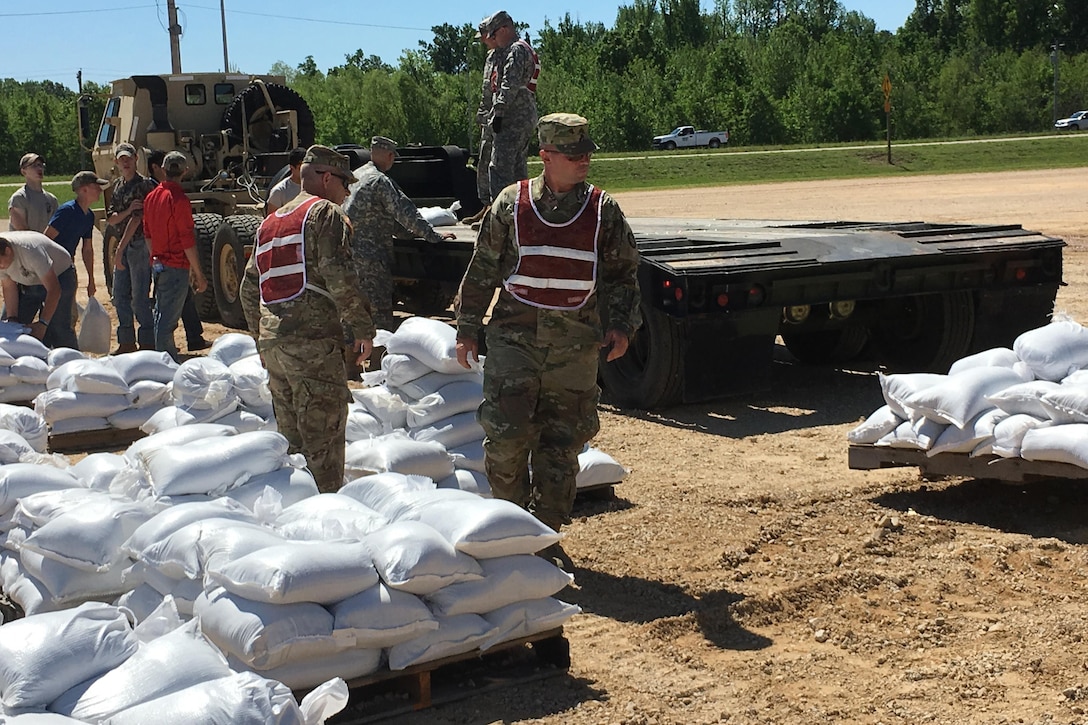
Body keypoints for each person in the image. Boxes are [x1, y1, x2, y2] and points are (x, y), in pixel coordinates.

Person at [455, 113, 642, 560]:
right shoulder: (510, 204)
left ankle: (545, 537)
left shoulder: (602, 210)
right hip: (515, 341)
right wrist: (467, 328)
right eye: (574, 154)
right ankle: (512, 530)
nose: (585, 161)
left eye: (587, 152)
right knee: (505, 438)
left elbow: (622, 274)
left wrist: (622, 326)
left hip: (575, 349)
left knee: (561, 446)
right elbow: (482, 269)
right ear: (546, 157)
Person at [239, 145, 376, 493]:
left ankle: (297, 516)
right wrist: (362, 329)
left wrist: (261, 337)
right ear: (327, 178)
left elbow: (248, 288)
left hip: (275, 347)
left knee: (293, 445)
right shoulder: (324, 214)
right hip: (312, 345)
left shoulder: (270, 223)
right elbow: (340, 277)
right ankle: (327, 520)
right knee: (324, 445)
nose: (346, 193)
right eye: (344, 184)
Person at [342, 135, 455, 333]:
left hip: (349, 253)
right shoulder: (380, 181)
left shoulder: (357, 176)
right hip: (372, 259)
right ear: (389, 156)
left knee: (355, 310)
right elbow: (406, 213)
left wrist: (406, 235)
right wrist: (432, 235)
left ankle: (352, 357)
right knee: (380, 312)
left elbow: (379, 216)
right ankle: (380, 356)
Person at [141, 151, 208, 360]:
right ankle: (164, 361)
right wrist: (199, 273)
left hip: (159, 264)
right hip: (175, 265)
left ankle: (161, 358)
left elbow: (148, 234)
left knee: (161, 313)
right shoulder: (178, 199)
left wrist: (155, 259)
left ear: (163, 169)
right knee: (167, 320)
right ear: (185, 171)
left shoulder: (152, 196)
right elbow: (187, 239)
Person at [480, 10, 539, 208]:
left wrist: (499, 112)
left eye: (494, 34)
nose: (493, 39)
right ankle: (521, 213)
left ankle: (499, 217)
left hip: (512, 117)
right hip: (523, 116)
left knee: (499, 169)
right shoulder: (523, 48)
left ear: (505, 29)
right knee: (518, 169)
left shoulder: (516, 50)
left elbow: (509, 84)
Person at [106, 143, 158, 353]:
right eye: (121, 159)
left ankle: (146, 340)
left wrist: (119, 249)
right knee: (119, 295)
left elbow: (139, 220)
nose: (125, 162)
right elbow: (111, 218)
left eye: (128, 158)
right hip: (124, 243)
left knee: (139, 296)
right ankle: (126, 340)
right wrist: (127, 210)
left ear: (136, 158)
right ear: (116, 162)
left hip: (139, 245)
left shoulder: (144, 185)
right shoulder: (117, 186)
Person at [0, 231, 76, 348]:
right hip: (28, 281)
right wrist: (12, 318)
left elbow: (54, 289)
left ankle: (71, 363)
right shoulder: (2, 256)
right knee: (10, 329)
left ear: (8, 251)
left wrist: (43, 323)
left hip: (60, 276)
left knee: (59, 329)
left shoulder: (31, 252)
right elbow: (8, 286)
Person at [462, 20, 503, 227]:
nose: (484, 43)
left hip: (500, 118)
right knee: (483, 162)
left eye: (485, 38)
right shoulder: (490, 57)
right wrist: (482, 115)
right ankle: (486, 206)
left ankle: (495, 211)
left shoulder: (507, 54)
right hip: (488, 118)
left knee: (498, 165)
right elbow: (487, 89)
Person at [8, 153, 58, 233]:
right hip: (24, 244)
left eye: (41, 165)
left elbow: (55, 228)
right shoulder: (19, 198)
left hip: (45, 244)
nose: (39, 168)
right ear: (24, 172)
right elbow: (21, 230)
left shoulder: (52, 199)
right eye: (34, 165)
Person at [265, 147, 306, 216]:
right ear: (291, 168)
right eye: (300, 168)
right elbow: (272, 220)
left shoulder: (316, 187)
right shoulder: (279, 191)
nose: (304, 171)